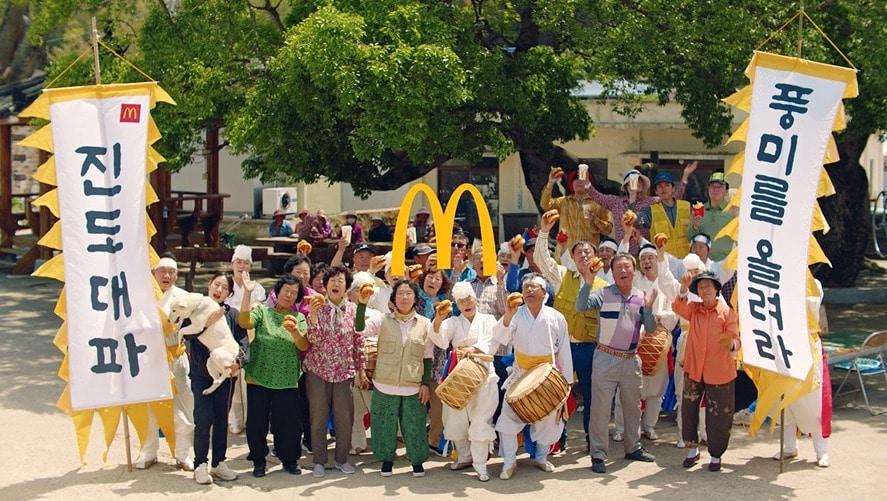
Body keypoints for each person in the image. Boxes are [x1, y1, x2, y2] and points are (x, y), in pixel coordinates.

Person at [576, 253, 658, 474]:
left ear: (634, 270)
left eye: (627, 267)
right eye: (619, 267)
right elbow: (581, 306)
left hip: (631, 360)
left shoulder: (641, 296)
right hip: (605, 358)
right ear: (612, 272)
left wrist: (649, 309)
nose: (623, 271)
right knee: (601, 410)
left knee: (632, 408)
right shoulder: (603, 293)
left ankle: (633, 447)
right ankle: (599, 454)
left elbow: (650, 329)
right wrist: (588, 281)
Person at [535, 211, 609, 450]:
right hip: (562, 347)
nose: (584, 255)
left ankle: (592, 441)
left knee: (592, 396)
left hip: (590, 348)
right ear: (573, 258)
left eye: (588, 252)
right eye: (579, 252)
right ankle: (558, 440)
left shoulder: (605, 286)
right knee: (559, 395)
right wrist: (545, 232)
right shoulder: (562, 276)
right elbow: (542, 259)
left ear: (595, 256)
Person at [493, 273, 573, 480]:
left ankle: (541, 457)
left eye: (534, 287)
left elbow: (564, 350)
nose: (528, 290)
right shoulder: (516, 315)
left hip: (548, 376)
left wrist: (565, 382)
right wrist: (508, 315)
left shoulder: (556, 317)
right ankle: (509, 462)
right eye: (525, 286)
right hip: (520, 376)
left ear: (544, 293)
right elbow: (499, 337)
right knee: (507, 420)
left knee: (548, 422)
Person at [355, 280, 434, 478]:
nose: (404, 297)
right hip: (385, 383)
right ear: (393, 299)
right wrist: (362, 304)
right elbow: (359, 329)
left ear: (416, 298)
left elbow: (428, 356)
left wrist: (425, 383)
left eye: (409, 294)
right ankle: (387, 460)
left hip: (413, 385)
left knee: (415, 425)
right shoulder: (383, 320)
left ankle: (416, 461)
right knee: (383, 425)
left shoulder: (425, 324)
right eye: (400, 294)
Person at [612, 229, 682, 442]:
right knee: (627, 388)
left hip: (659, 342)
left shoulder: (668, 283)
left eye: (651, 258)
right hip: (634, 342)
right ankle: (622, 428)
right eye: (643, 259)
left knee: (656, 390)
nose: (646, 262)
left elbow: (677, 312)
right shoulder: (634, 284)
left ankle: (649, 426)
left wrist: (659, 318)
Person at [238, 273, 309, 477]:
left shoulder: (299, 318)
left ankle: (289, 460)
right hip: (259, 376)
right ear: (277, 292)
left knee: (287, 423)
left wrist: (295, 332)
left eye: (294, 293)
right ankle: (259, 461)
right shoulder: (262, 312)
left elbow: (303, 345)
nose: (289, 295)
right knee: (257, 422)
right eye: (286, 290)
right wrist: (247, 293)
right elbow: (244, 322)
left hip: (286, 379)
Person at [430, 282, 499, 482]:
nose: (466, 304)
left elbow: (493, 342)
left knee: (480, 420)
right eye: (461, 301)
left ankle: (480, 464)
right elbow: (441, 340)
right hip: (458, 376)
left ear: (475, 299)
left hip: (484, 374)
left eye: (468, 298)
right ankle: (464, 456)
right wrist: (438, 319)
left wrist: (473, 349)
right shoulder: (453, 322)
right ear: (457, 304)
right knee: (454, 419)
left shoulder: (488, 319)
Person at [671, 271, 740, 472]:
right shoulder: (695, 309)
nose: (705, 290)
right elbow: (677, 306)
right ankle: (692, 449)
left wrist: (732, 345)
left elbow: (736, 338)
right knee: (689, 409)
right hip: (694, 368)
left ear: (716, 289)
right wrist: (684, 288)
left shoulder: (727, 312)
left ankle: (716, 454)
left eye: (709, 286)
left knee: (719, 413)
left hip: (720, 371)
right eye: (701, 287)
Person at [187, 273, 250, 484]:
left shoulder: (231, 315)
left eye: (224, 287)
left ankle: (218, 462)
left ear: (229, 293)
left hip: (226, 376)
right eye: (216, 284)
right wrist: (207, 323)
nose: (219, 290)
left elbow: (243, 342)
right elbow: (186, 334)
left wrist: (239, 362)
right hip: (201, 374)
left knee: (222, 419)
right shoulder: (195, 310)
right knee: (203, 419)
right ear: (209, 285)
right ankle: (200, 464)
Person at [304, 266, 366, 477]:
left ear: (347, 286)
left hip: (344, 371)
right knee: (318, 416)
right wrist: (312, 316)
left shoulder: (354, 309)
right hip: (318, 371)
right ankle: (319, 461)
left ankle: (341, 459)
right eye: (332, 280)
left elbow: (359, 341)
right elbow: (313, 340)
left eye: (340, 280)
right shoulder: (317, 307)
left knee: (344, 417)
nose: (336, 283)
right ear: (326, 285)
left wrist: (361, 369)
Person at [136, 257, 194, 471]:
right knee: (149, 406)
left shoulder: (185, 297)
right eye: (162, 271)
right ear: (154, 273)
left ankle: (183, 454)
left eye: (171, 272)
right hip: (149, 359)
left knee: (183, 406)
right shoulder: (142, 297)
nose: (167, 276)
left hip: (176, 356)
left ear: (177, 275)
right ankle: (148, 452)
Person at [772, 279, 831, 468]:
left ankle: (821, 451)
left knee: (813, 400)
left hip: (807, 346)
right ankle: (790, 446)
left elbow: (811, 305)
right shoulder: (778, 281)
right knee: (785, 401)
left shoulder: (813, 283)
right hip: (785, 346)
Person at [584, 162, 695, 254]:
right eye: (634, 181)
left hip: (645, 252)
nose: (637, 183)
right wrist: (586, 181)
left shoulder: (650, 202)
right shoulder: (615, 202)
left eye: (639, 181)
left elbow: (672, 197)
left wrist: (685, 177)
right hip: (623, 252)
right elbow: (596, 196)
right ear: (626, 186)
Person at [416, 268, 453, 456]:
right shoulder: (414, 299)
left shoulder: (446, 305)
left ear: (442, 283)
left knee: (438, 406)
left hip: (439, 359)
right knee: (416, 405)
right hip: (415, 359)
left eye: (437, 278)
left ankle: (435, 440)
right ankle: (415, 442)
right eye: (429, 276)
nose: (432, 280)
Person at [348, 272, 385, 455]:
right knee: (354, 410)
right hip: (349, 366)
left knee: (375, 408)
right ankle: (357, 443)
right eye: (356, 290)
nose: (361, 294)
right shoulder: (345, 311)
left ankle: (381, 444)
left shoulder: (378, 315)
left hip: (372, 367)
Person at [540, 167, 613, 254]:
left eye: (583, 179)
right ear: (571, 183)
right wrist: (550, 183)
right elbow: (545, 205)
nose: (579, 181)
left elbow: (608, 230)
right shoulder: (564, 201)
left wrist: (595, 220)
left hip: (587, 255)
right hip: (565, 254)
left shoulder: (599, 203)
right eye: (575, 179)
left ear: (589, 183)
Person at [642, 165, 697, 258]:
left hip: (686, 259)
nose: (664, 189)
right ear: (656, 191)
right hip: (664, 261)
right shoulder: (650, 210)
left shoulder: (687, 206)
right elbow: (638, 222)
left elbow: (696, 230)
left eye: (667, 185)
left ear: (673, 189)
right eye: (660, 186)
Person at [687, 172, 736, 262]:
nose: (715, 190)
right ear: (708, 189)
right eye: (712, 186)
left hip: (726, 262)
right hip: (703, 262)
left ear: (726, 191)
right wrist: (695, 226)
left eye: (720, 187)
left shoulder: (733, 211)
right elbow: (689, 238)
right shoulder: (699, 210)